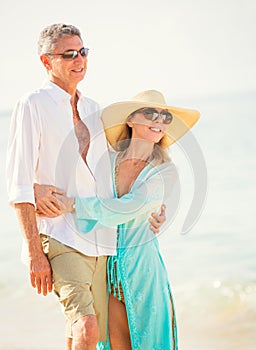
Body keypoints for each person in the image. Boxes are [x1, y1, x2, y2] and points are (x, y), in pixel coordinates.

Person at [6, 24, 165, 350]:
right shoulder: (32, 104)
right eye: (69, 54)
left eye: (83, 51)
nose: (79, 59)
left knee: (86, 333)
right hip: (58, 233)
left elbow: (109, 176)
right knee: (87, 328)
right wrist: (35, 252)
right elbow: (17, 180)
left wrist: (151, 207)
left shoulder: (94, 109)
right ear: (46, 61)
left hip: (100, 241)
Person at [37, 90, 200, 349]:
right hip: (104, 266)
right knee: (113, 342)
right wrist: (37, 192)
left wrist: (73, 205)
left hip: (143, 267)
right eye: (151, 113)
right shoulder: (106, 161)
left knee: (149, 342)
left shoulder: (165, 170)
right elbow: (76, 182)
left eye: (165, 116)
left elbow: (131, 207)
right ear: (131, 119)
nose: (159, 120)